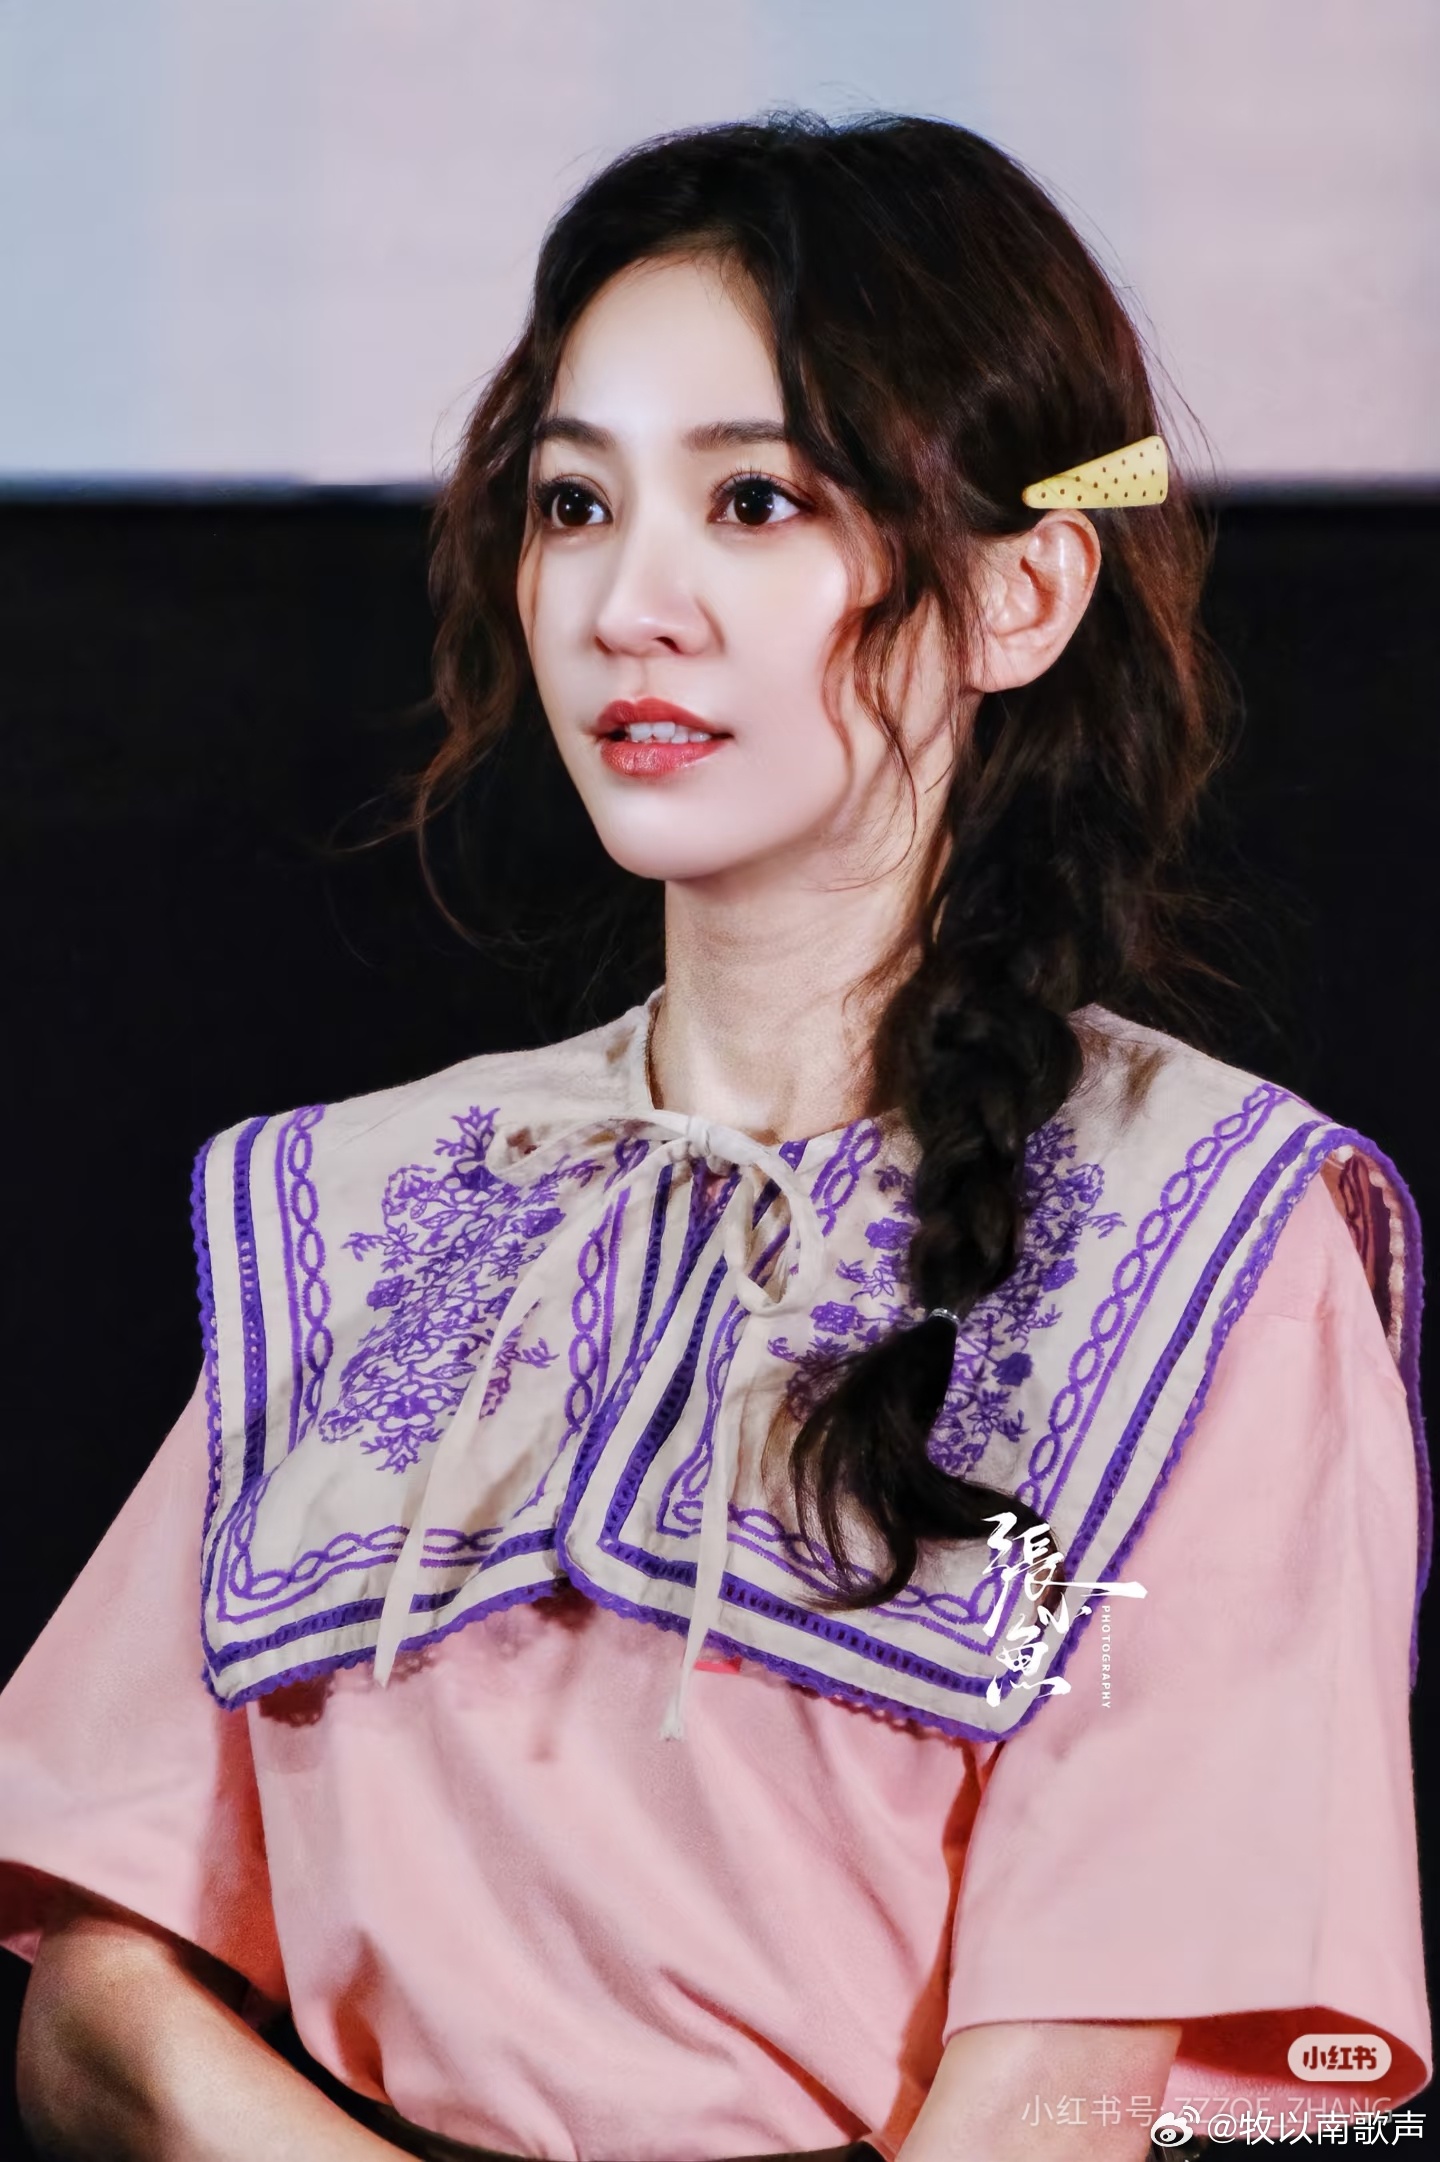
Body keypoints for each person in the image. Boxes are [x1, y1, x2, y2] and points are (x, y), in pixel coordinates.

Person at [0, 113, 1431, 2162]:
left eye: (755, 500)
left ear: (1022, 588)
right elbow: (99, 1999)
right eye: (575, 503)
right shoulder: (382, 1197)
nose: (627, 603)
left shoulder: (1203, 1240)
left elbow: (1061, 2099)